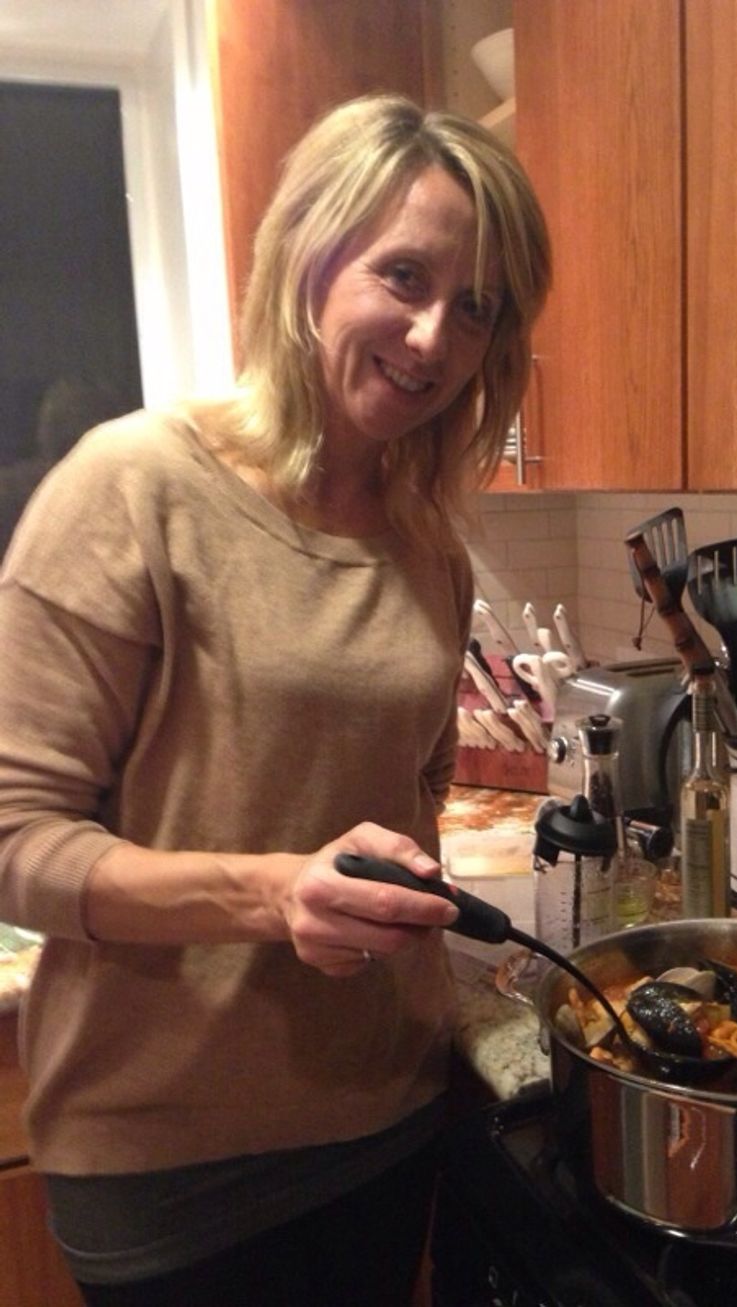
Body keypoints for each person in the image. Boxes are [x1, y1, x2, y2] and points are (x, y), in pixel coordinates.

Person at [0, 93, 550, 1306]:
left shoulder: (430, 544)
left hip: (382, 1113)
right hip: (166, 1153)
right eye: (401, 275)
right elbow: (14, 845)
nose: (431, 335)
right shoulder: (133, 485)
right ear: (309, 255)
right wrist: (269, 891)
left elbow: (406, 804)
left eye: (477, 306)